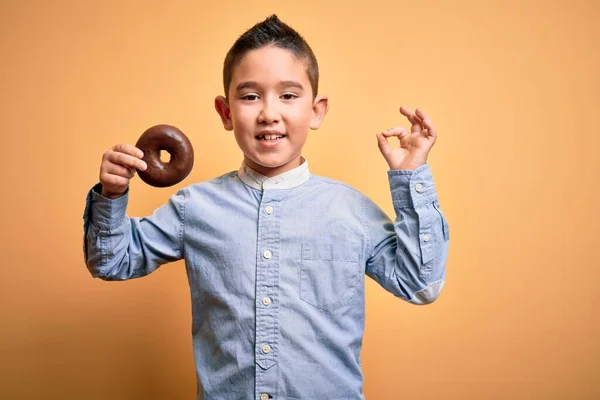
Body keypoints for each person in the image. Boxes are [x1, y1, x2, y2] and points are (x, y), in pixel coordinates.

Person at [83, 14, 449, 400]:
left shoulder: (351, 210)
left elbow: (420, 285)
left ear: (316, 110)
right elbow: (111, 262)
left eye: (288, 95)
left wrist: (412, 178)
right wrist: (111, 195)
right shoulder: (194, 208)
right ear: (226, 113)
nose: (269, 112)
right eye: (250, 96)